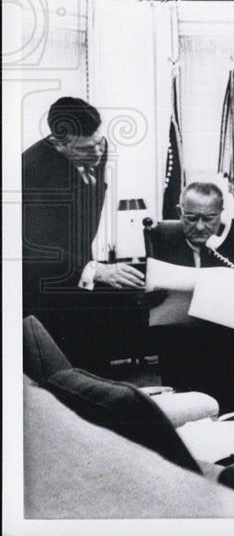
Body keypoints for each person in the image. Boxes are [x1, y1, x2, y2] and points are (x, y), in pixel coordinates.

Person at [22, 97, 144, 371]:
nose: (99, 154)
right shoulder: (28, 171)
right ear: (59, 142)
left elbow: (85, 218)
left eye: (100, 144)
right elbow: (34, 249)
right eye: (88, 149)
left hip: (80, 282)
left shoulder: (95, 147)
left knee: (95, 367)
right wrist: (95, 270)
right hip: (42, 290)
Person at [147, 181, 234, 411]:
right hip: (184, 341)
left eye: (209, 218)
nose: (200, 227)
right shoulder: (164, 241)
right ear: (179, 212)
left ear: (221, 214)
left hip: (230, 342)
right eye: (191, 218)